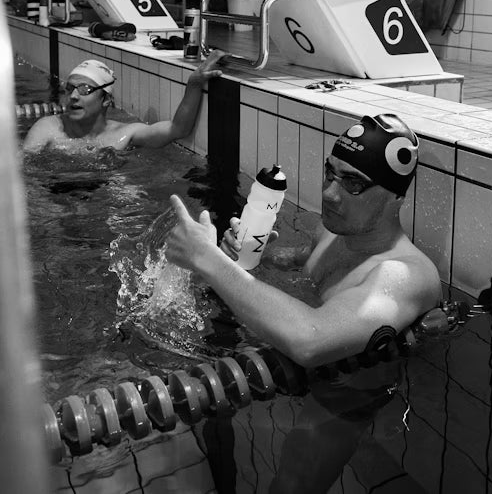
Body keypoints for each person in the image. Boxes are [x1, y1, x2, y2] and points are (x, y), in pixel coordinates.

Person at [164, 113, 442, 492]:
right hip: (285, 368)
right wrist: (250, 255)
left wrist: (208, 261)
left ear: (396, 198)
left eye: (353, 183)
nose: (329, 194)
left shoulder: (404, 275)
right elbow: (296, 262)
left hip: (344, 397)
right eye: (330, 173)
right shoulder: (331, 231)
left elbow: (311, 340)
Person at [23, 51, 225, 152]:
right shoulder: (48, 128)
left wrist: (194, 84)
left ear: (106, 100)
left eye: (84, 89)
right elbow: (23, 166)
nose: (73, 96)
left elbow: (178, 129)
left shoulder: (125, 134)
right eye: (70, 88)